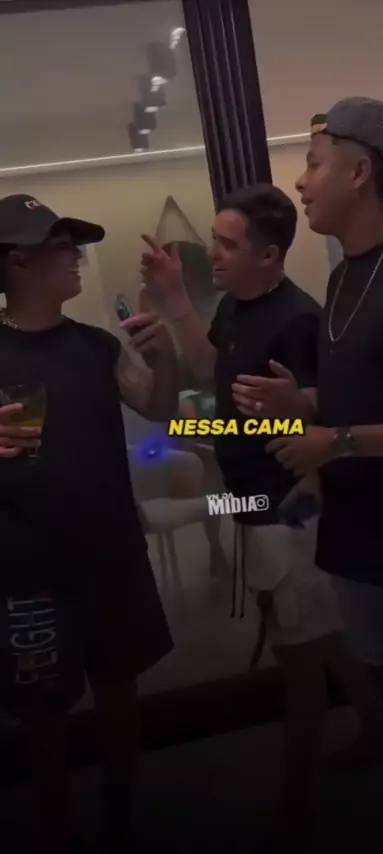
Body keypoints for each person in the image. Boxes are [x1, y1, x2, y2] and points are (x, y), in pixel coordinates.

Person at [235, 98, 383, 852]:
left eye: (313, 163)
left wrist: (332, 442)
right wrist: (303, 404)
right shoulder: (343, 277)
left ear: (360, 171)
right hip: (356, 534)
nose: (300, 182)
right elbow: (365, 394)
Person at [140, 183, 383, 845]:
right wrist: (174, 300)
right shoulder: (235, 307)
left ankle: (297, 799)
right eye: (214, 240)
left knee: (298, 657)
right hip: (253, 502)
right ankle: (380, 730)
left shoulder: (299, 320)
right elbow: (213, 373)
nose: (213, 253)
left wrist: (300, 457)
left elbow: (329, 413)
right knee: (323, 638)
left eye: (227, 244)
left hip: (289, 510)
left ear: (269, 255)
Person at [0, 194, 177, 852]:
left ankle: (121, 820)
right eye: (59, 245)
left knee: (119, 689)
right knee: (42, 714)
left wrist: (164, 355)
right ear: (17, 260)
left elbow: (157, 408)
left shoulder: (96, 347)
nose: (76, 255)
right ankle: (59, 834)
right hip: (28, 568)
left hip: (112, 556)